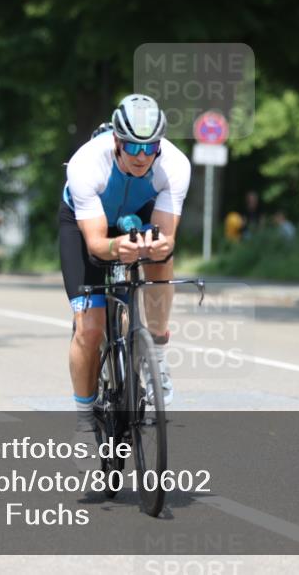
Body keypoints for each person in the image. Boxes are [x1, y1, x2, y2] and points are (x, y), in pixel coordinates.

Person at [59, 94, 190, 449]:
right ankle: (85, 420)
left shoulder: (175, 166)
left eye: (150, 148)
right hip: (87, 225)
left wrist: (159, 245)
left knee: (162, 256)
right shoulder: (88, 164)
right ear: (116, 140)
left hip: (139, 215)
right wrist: (118, 248)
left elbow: (166, 235)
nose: (141, 156)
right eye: (132, 146)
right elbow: (97, 244)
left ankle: (157, 355)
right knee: (90, 328)